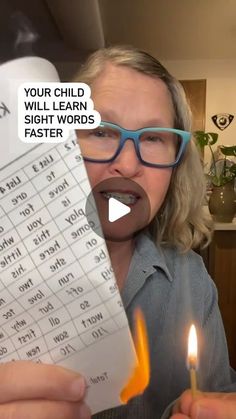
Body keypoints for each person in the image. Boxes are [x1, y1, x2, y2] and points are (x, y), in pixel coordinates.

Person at [0, 45, 235, 419]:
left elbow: (218, 394)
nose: (127, 164)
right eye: (101, 130)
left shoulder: (192, 279)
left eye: (154, 138)